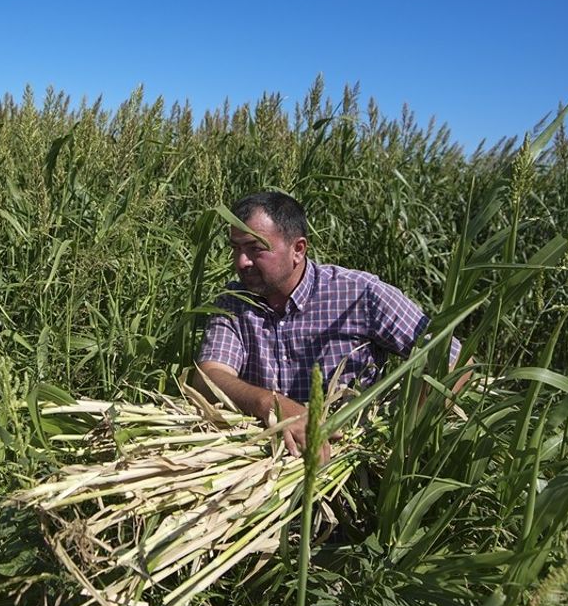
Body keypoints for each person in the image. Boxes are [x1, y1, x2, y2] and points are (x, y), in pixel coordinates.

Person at [194, 192, 463, 458]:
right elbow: (208, 377)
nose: (241, 262)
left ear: (298, 249)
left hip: (352, 460)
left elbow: (456, 364)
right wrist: (272, 404)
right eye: (236, 248)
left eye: (255, 249)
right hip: (266, 459)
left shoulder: (360, 294)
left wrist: (401, 436)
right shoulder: (234, 301)